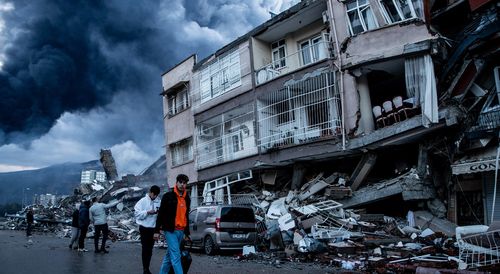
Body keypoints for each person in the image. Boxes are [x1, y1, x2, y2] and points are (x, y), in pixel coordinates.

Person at [155, 174, 191, 274]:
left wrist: (187, 233)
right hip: (170, 230)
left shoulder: (187, 198)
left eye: (184, 183)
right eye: (180, 182)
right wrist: (156, 231)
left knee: (169, 256)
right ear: (176, 183)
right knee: (176, 256)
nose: (182, 185)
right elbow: (161, 214)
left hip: (181, 231)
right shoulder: (168, 196)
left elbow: (186, 216)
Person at [134, 185, 161, 274]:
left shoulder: (158, 201)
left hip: (153, 229)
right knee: (145, 249)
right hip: (144, 228)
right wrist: (147, 212)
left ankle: (147, 267)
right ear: (150, 192)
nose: (155, 197)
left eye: (156, 195)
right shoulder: (142, 201)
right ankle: (145, 269)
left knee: (150, 249)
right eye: (154, 195)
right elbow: (137, 214)